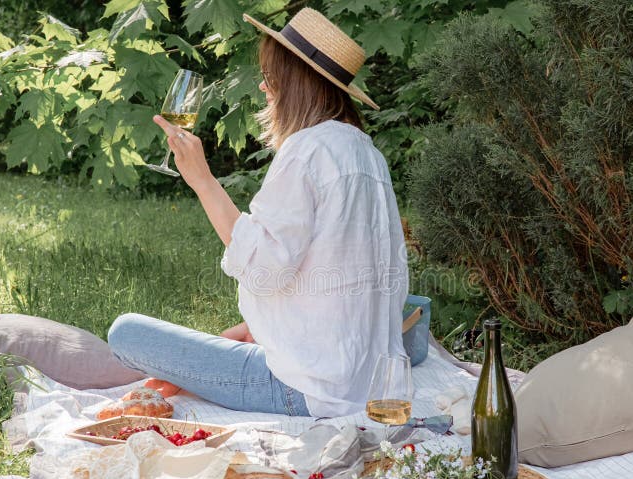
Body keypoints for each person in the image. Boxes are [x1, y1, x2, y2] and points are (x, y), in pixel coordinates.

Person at [107, 8, 408, 418]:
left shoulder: (307, 151)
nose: (264, 88)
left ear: (294, 83)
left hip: (302, 387)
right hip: (365, 381)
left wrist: (203, 180)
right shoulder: (368, 153)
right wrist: (252, 331)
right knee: (222, 339)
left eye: (270, 77)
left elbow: (265, 270)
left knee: (126, 332)